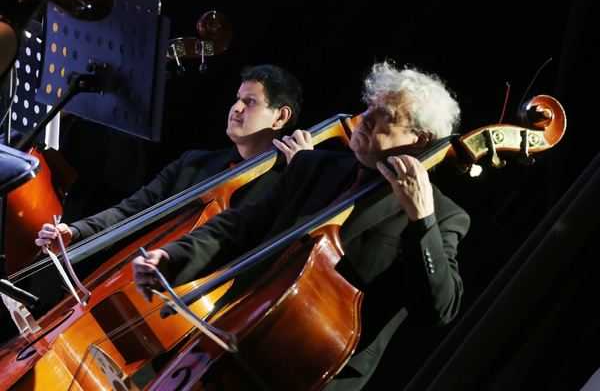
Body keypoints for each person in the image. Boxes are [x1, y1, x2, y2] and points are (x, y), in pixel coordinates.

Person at [131, 60, 471, 390]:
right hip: (229, 330)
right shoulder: (315, 166)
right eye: (371, 106)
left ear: (420, 140)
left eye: (387, 115)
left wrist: (421, 219)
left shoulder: (441, 215)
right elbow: (239, 226)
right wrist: (173, 257)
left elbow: (438, 310)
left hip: (306, 372)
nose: (365, 118)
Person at [32, 63, 308, 306]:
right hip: (141, 293)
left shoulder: (288, 183)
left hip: (215, 310)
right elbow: (130, 211)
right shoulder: (193, 163)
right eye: (237, 99)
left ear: (280, 117)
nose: (236, 108)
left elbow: (293, 249)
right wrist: (74, 232)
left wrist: (303, 175)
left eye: (250, 102)